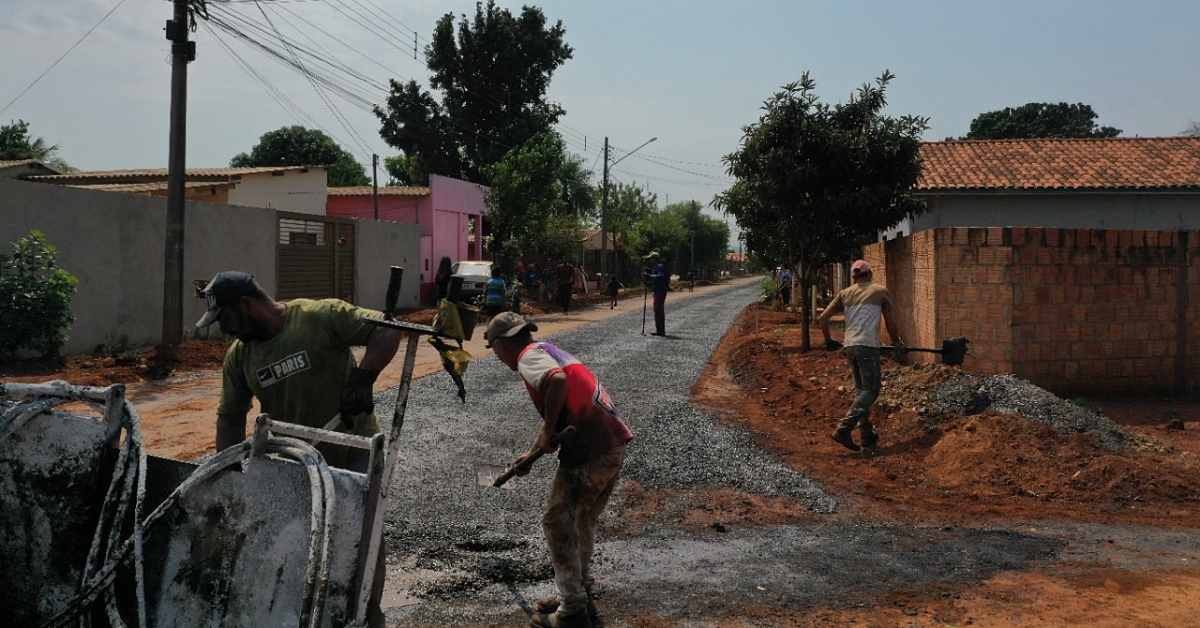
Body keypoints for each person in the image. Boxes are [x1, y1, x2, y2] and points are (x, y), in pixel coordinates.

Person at [197, 270, 400, 627]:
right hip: (296, 461)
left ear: (246, 305)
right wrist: (228, 475)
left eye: (225, 319)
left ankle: (367, 617)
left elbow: (387, 328)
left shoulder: (319, 317)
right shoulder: (239, 357)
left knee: (361, 541)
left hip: (353, 446)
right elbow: (229, 418)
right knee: (301, 544)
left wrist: (364, 375)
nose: (224, 330)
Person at [484, 312, 633, 628]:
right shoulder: (548, 350)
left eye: (494, 349)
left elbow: (557, 382)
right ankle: (580, 596)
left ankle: (573, 612)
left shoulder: (528, 357)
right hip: (611, 442)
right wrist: (532, 451)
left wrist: (548, 428)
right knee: (580, 522)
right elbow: (562, 398)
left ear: (499, 345)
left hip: (589, 447)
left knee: (557, 522)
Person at [817, 260, 905, 452]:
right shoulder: (880, 291)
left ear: (854, 277)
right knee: (871, 390)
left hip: (850, 346)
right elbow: (890, 322)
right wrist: (897, 343)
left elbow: (823, 318)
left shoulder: (845, 293)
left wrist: (829, 341)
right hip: (867, 346)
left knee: (861, 391)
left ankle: (866, 435)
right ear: (870, 274)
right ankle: (843, 428)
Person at [647, 252, 668, 336]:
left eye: (651, 259)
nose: (650, 261)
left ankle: (660, 330)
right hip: (657, 291)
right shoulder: (656, 267)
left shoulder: (660, 266)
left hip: (660, 291)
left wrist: (650, 276)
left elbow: (660, 276)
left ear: (655, 259)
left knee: (658, 310)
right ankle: (659, 329)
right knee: (657, 310)